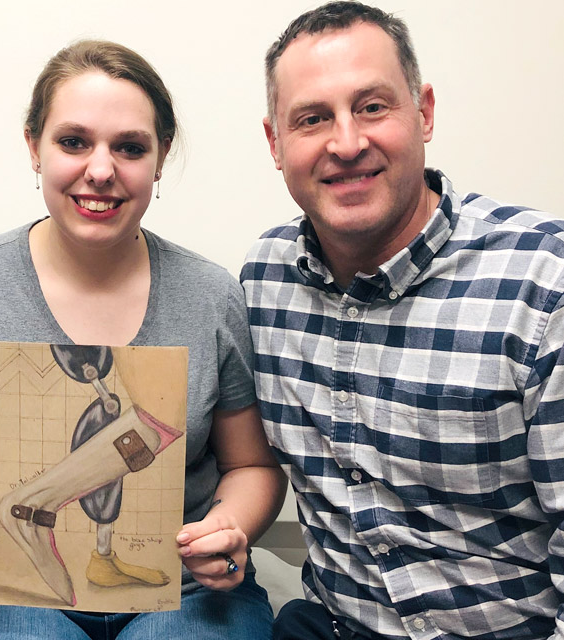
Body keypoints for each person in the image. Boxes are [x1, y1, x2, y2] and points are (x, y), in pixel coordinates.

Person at [0, 39, 287, 640]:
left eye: (130, 147)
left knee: (145, 415)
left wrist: (231, 527)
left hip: (183, 584)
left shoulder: (212, 295)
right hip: (9, 585)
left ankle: (43, 507)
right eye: (74, 141)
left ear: (160, 160)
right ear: (33, 146)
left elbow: (251, 465)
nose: (101, 169)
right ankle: (34, 512)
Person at [240, 2, 564, 639]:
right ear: (276, 145)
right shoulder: (264, 280)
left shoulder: (543, 286)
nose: (347, 142)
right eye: (312, 118)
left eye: (372, 106)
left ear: (425, 112)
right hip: (330, 624)